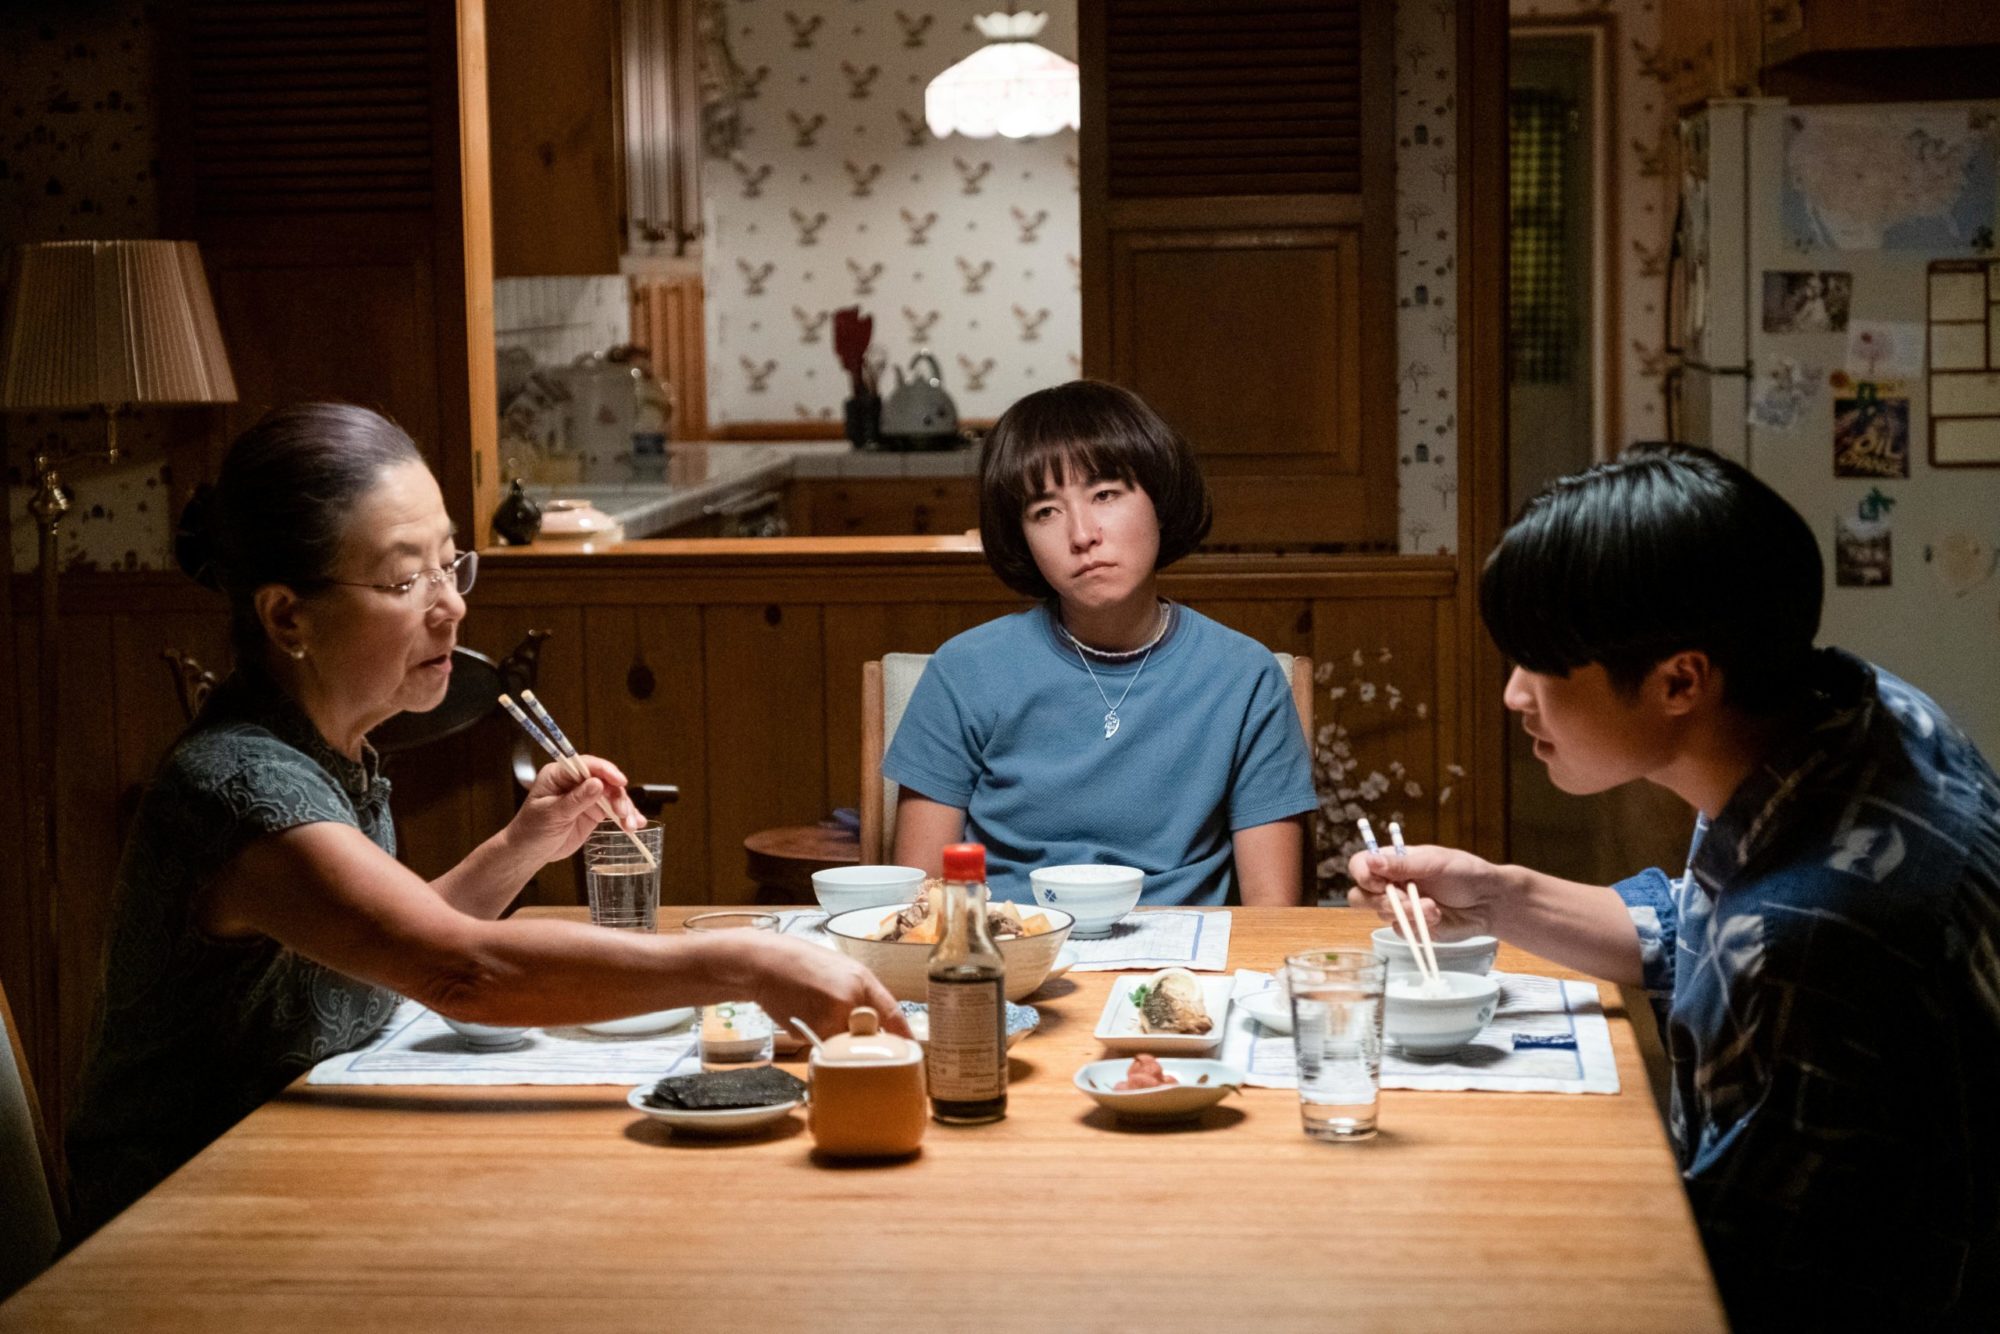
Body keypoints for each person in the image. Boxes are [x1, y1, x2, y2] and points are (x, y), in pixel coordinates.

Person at [67, 403, 902, 1234]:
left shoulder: (327, 751)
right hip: (179, 1222)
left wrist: (519, 847)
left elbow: (383, 946)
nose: (452, 607)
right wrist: (745, 964)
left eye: (448, 564)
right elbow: (458, 972)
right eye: (404, 580)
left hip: (293, 1167)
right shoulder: (241, 785)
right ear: (288, 616)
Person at [1349, 443, 2000, 1329]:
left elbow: (1717, 1282)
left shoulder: (1817, 933)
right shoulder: (1857, 712)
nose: (1512, 696)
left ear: (1680, 680)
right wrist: (1498, 897)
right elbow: (1701, 924)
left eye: (1538, 666)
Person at [885, 380, 1317, 906]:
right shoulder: (966, 671)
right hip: (1008, 956)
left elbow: (1273, 919)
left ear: (1159, 498)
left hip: (1183, 969)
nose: (1082, 534)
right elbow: (917, 907)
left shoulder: (1244, 676)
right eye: (1046, 511)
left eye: (1105, 495)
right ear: (1021, 536)